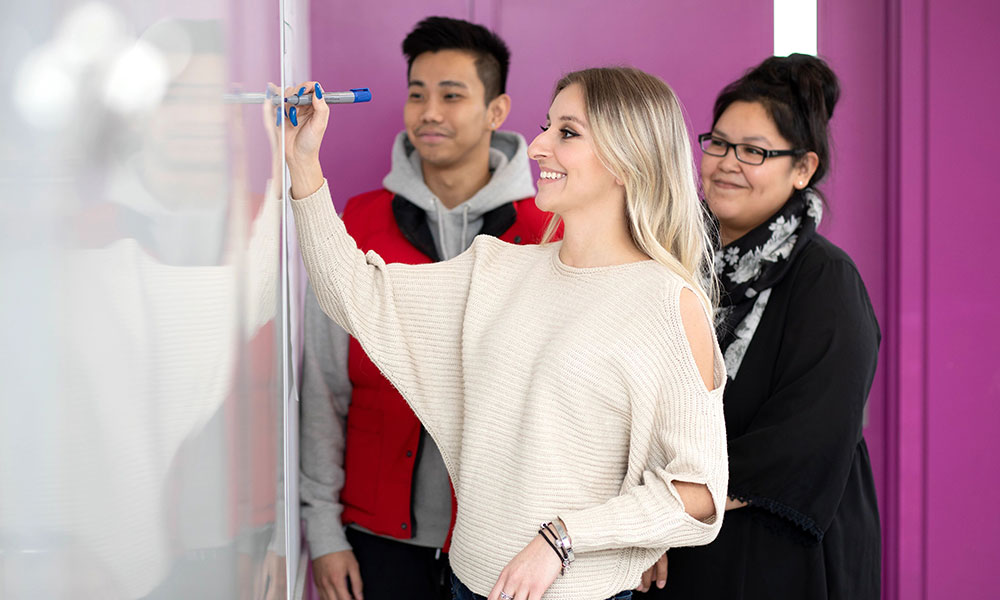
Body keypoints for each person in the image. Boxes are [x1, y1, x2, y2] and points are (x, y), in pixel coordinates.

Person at [282, 66, 730, 600]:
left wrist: (562, 538)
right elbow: (352, 293)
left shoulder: (666, 303)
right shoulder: (496, 271)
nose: (537, 147)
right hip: (468, 583)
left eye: (566, 132)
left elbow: (699, 492)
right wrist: (303, 161)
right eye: (546, 126)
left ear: (626, 157)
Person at [298, 16, 550, 600]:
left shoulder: (549, 231)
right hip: (376, 541)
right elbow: (325, 388)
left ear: (497, 110)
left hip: (509, 544)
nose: (429, 111)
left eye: (451, 95)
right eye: (417, 93)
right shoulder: (354, 225)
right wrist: (323, 529)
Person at [637, 54, 881, 599]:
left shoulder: (827, 280)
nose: (726, 163)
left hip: (778, 549)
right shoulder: (667, 261)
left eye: (754, 151)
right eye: (718, 143)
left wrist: (662, 515)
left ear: (803, 168)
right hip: (670, 546)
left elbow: (806, 438)